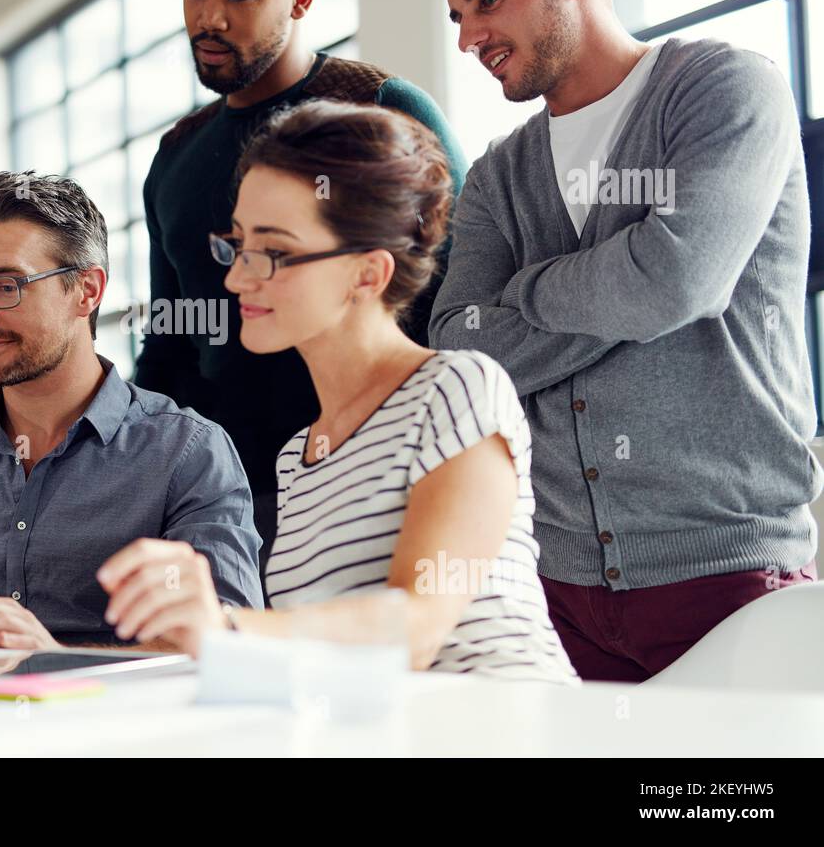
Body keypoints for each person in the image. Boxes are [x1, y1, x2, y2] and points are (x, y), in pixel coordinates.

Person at [425, 0, 818, 681]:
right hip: (556, 590)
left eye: (488, 1)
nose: (470, 37)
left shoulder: (725, 90)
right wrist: (623, 279)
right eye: (458, 17)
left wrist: (524, 290)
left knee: (714, 808)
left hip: (730, 572)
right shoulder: (501, 171)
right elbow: (459, 343)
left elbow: (674, 281)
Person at [99, 101, 577, 683]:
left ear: (367, 274)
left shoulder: (456, 390)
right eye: (238, 242)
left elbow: (418, 625)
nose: (235, 277)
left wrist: (224, 628)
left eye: (272, 252)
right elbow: (314, 659)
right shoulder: (299, 456)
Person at [133, 0, 470, 578]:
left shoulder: (379, 108)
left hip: (376, 476)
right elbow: (170, 347)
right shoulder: (175, 156)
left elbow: (462, 295)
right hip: (225, 498)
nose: (209, 18)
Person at [0, 172, 263, 647]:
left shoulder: (186, 453)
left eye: (5, 286)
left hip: (113, 718)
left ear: (87, 290)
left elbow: (227, 647)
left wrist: (53, 657)